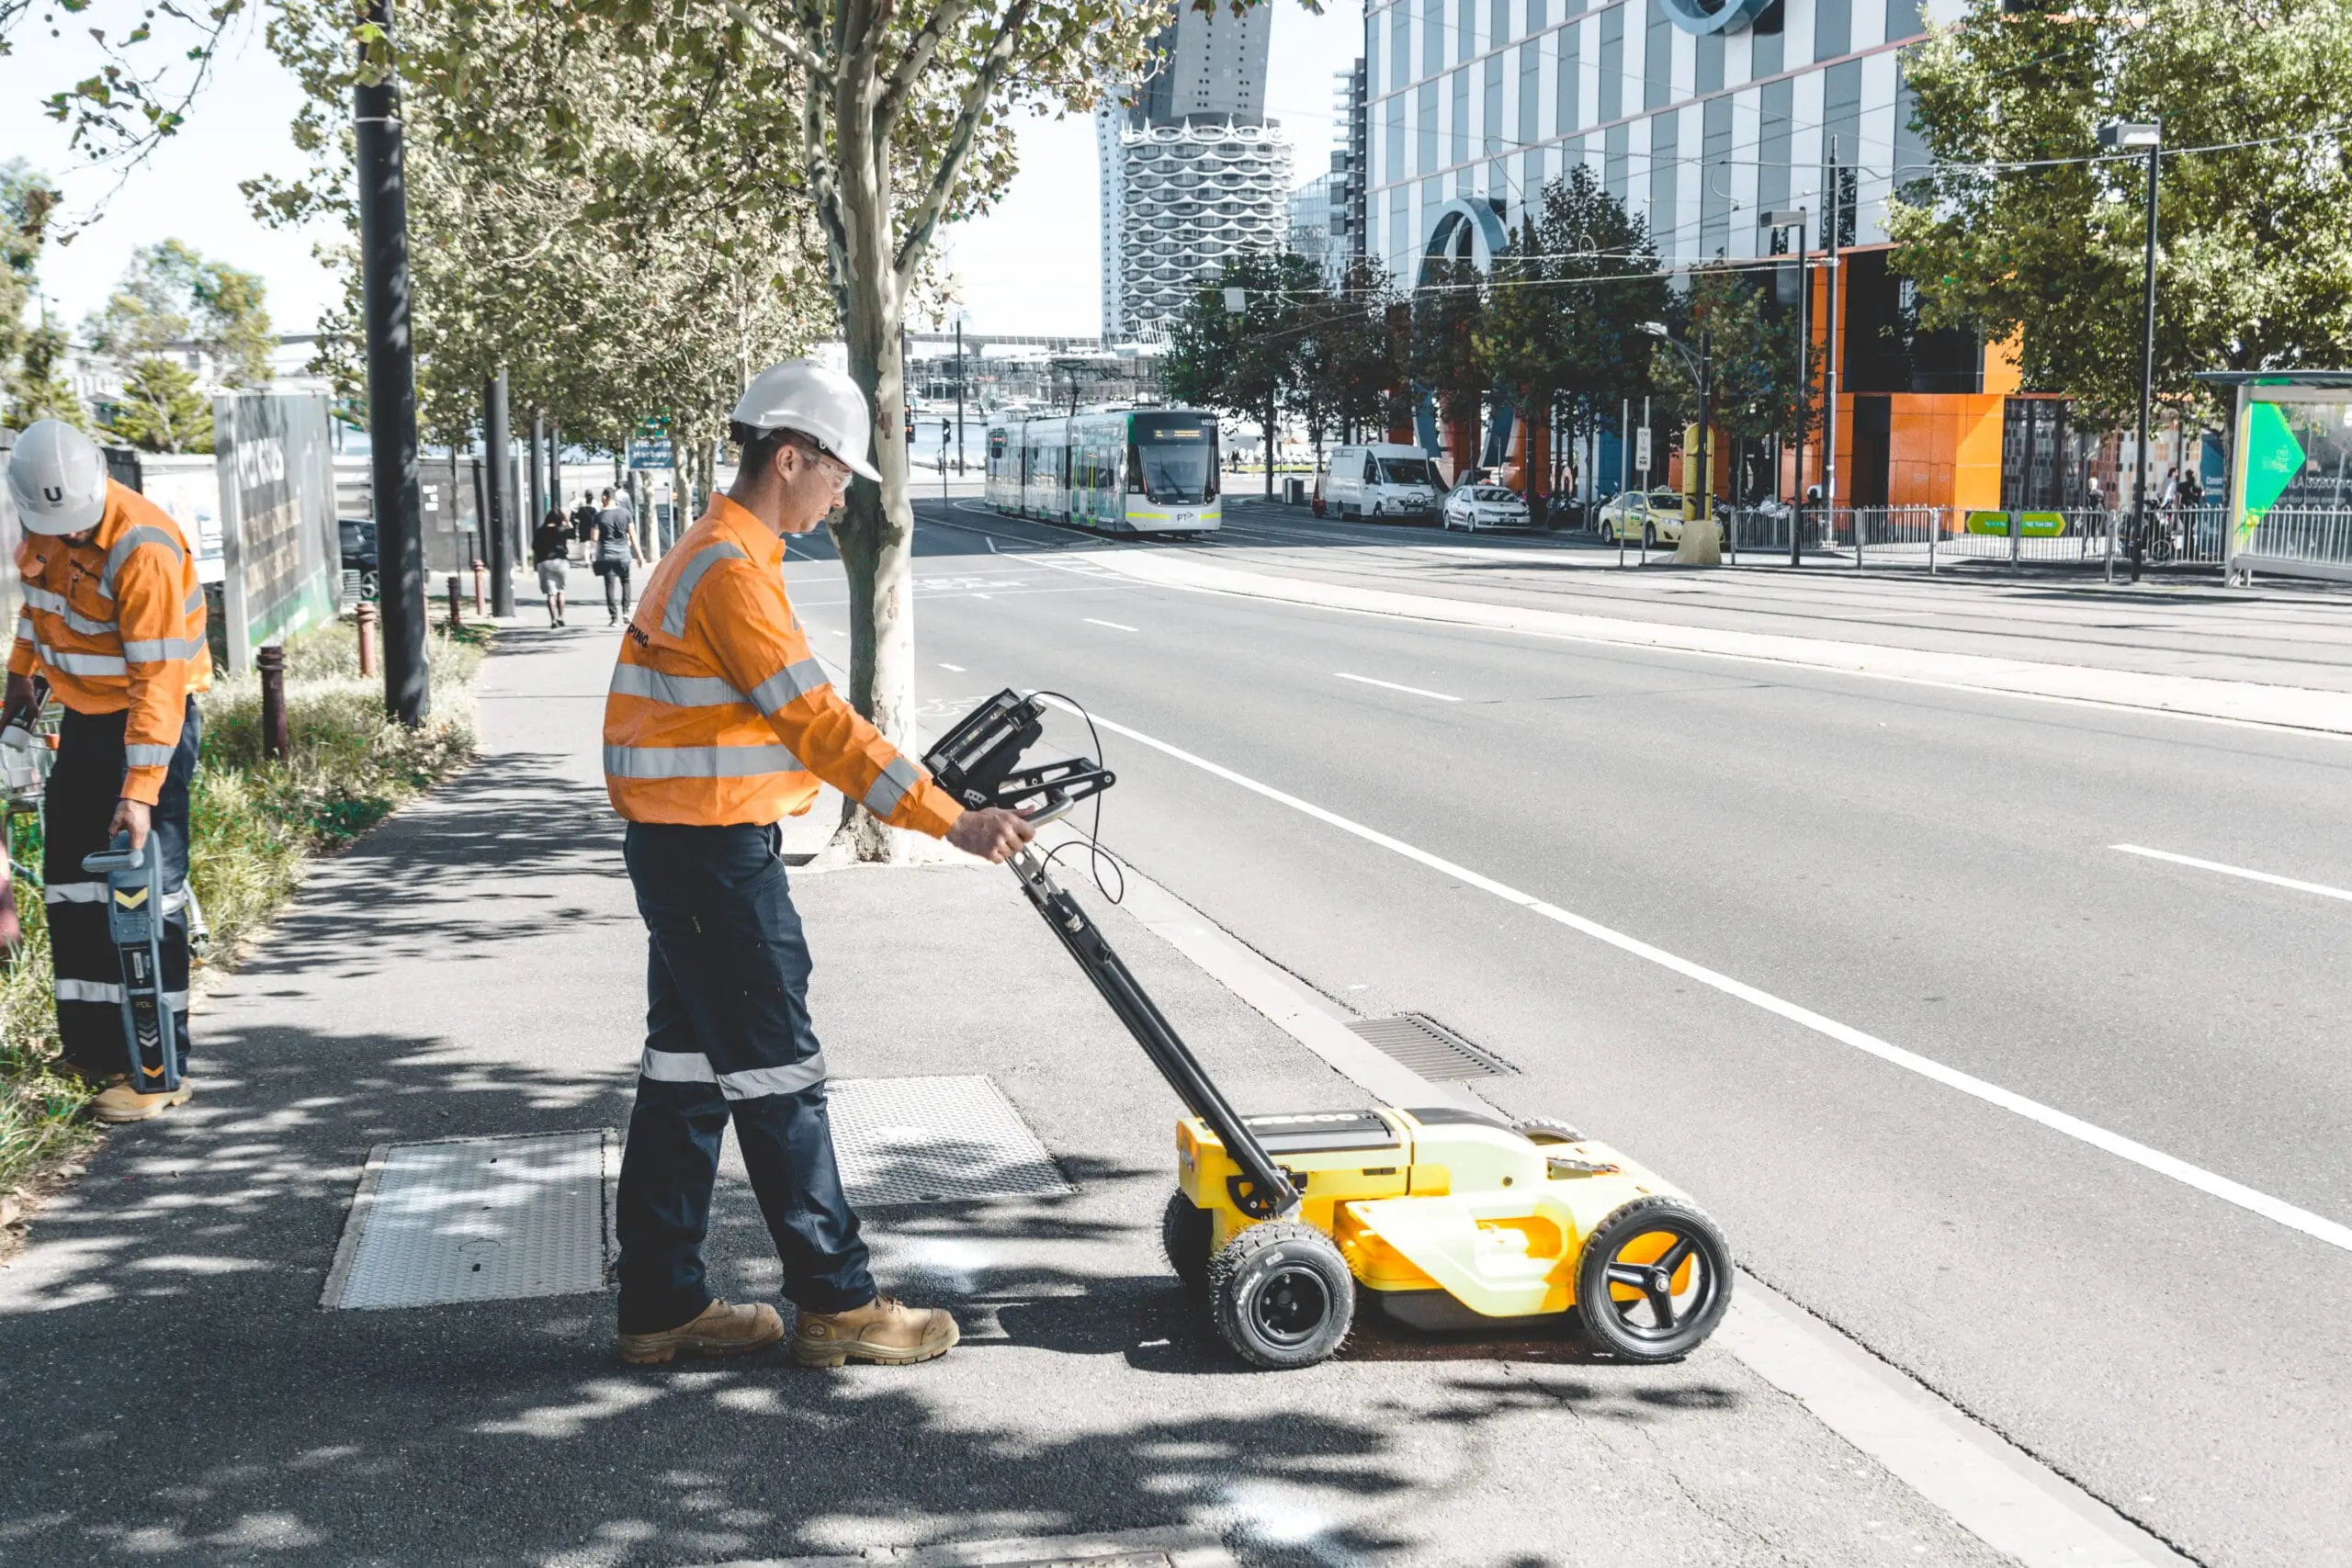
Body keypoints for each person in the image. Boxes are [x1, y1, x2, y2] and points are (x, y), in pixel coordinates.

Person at [603, 358, 1034, 1369]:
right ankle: (838, 1304)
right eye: (838, 474)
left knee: (685, 1079)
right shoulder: (728, 572)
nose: (841, 499)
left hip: (687, 854)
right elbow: (818, 723)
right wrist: (949, 818)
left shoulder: (715, 554)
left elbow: (792, 720)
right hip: (715, 863)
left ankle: (662, 1305)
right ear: (790, 456)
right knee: (780, 1079)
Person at [5, 421, 211, 1124]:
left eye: (74, 520)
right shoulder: (41, 525)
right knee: (73, 889)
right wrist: (20, 679)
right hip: (86, 724)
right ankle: (95, 1050)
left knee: (144, 900)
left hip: (150, 728)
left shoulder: (141, 544)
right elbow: (39, 610)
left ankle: (159, 1073)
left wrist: (140, 792)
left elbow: (159, 681)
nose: (66, 532)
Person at [593, 491, 645, 625]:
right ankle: (626, 612)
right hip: (624, 555)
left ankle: (614, 618)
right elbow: (633, 535)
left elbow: (594, 537)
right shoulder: (626, 513)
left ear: (604, 497)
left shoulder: (599, 516)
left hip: (607, 555)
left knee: (610, 586)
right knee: (626, 582)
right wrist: (640, 556)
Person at [532, 507, 573, 627]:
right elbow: (572, 533)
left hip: (545, 562)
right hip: (561, 562)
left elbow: (535, 547)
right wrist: (567, 520)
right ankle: (561, 617)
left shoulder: (540, 531)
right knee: (561, 590)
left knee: (551, 593)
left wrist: (535, 564)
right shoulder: (562, 530)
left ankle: (553, 619)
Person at [571, 490, 601, 562]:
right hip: (593, 529)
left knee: (586, 546)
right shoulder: (594, 510)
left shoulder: (582, 509)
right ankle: (593, 559)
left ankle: (587, 561)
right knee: (593, 545)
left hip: (583, 529)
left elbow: (577, 518)